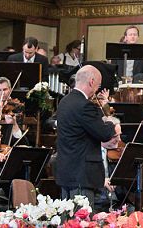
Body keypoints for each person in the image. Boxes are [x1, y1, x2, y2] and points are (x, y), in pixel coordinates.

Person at [55, 65, 117, 205]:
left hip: (66, 172)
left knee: (68, 221)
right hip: (81, 175)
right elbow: (104, 133)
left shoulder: (64, 102)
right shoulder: (84, 105)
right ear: (91, 82)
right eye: (98, 85)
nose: (97, 90)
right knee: (82, 220)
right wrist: (110, 122)